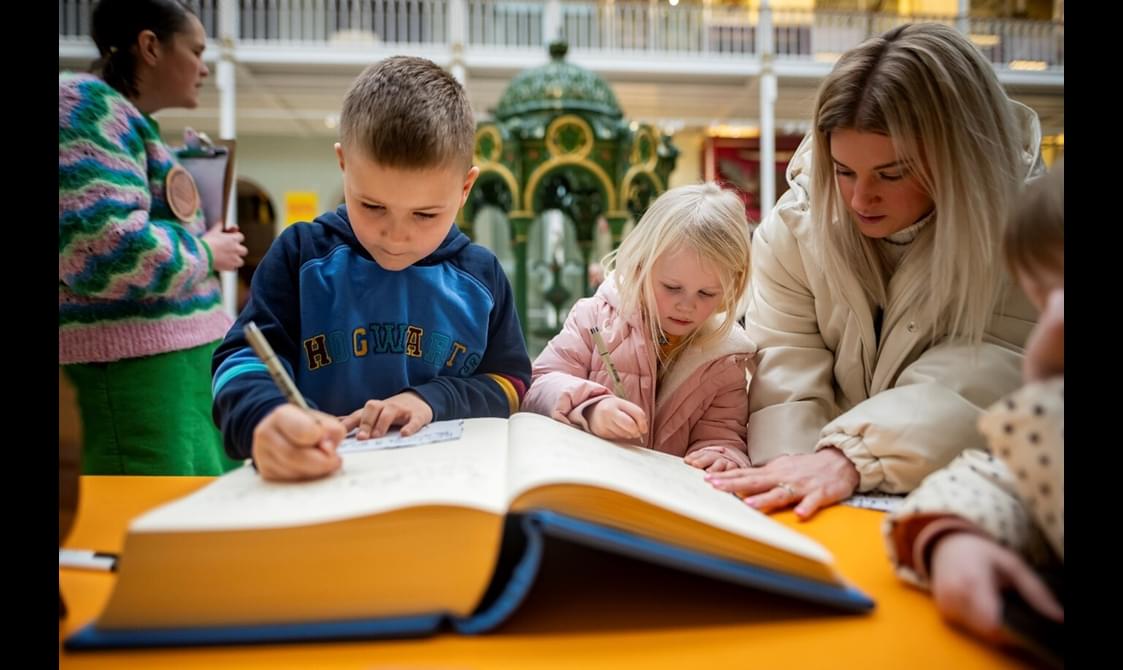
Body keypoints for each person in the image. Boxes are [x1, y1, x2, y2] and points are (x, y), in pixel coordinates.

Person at [705, 22, 1043, 518]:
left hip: (965, 507)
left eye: (891, 174)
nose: (861, 199)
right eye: (843, 171)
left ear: (960, 159)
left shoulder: (1032, 234)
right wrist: (788, 473)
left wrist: (849, 457)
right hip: (838, 495)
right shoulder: (794, 228)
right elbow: (785, 361)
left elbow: (996, 366)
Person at [211, 56, 532, 481]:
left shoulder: (482, 278)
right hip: (316, 486)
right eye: (373, 206)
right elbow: (240, 361)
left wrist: (434, 399)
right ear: (343, 165)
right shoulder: (301, 255)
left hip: (443, 492)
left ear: (465, 188)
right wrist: (265, 418)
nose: (395, 236)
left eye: (424, 215)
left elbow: (512, 385)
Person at [59, 0, 247, 475]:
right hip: (134, 380)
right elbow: (104, 251)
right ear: (150, 47)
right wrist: (206, 251)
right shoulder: (83, 106)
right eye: (196, 50)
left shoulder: (121, 117)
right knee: (146, 536)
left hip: (163, 374)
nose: (204, 68)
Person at [524, 182, 755, 471]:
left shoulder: (725, 360)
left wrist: (721, 456)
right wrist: (592, 408)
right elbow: (538, 386)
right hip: (590, 483)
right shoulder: (593, 319)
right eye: (672, 287)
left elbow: (723, 436)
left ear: (732, 286)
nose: (687, 305)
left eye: (706, 294)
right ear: (639, 266)